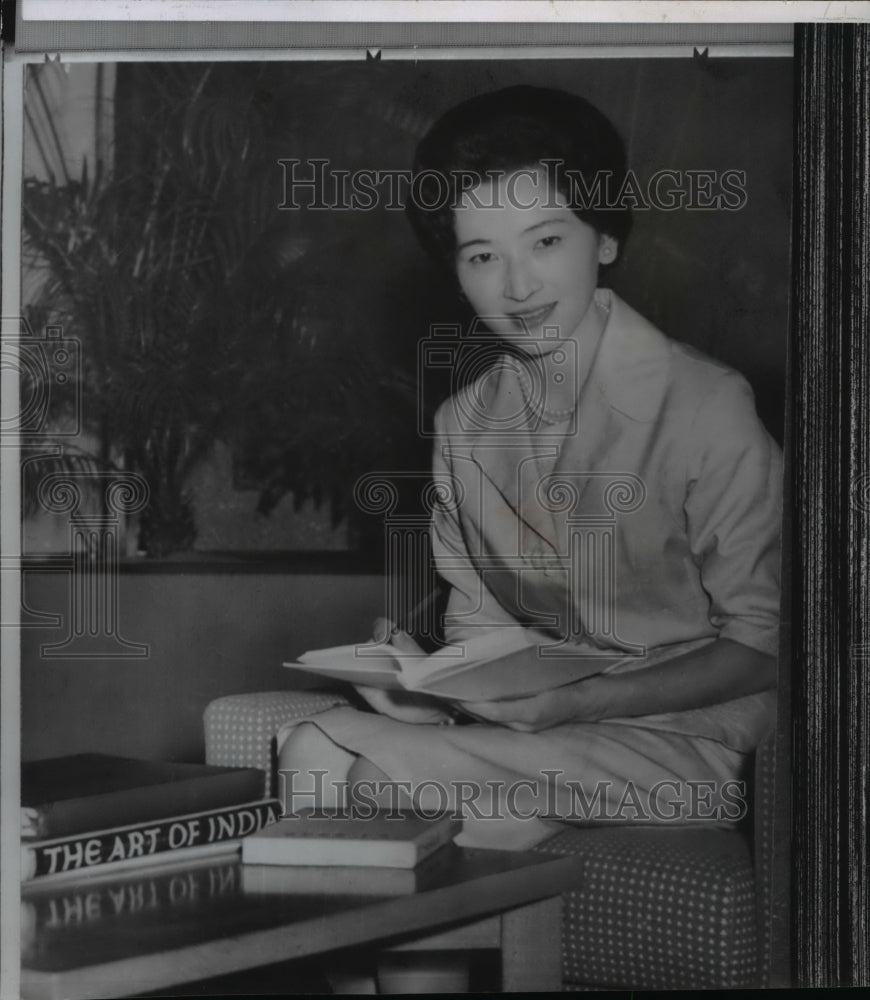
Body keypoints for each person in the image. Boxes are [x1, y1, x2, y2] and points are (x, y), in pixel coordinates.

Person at [277, 85, 781, 848]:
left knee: (368, 772)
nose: (517, 287)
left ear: (604, 238)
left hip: (687, 744)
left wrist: (580, 703)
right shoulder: (464, 426)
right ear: (456, 270)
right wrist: (432, 687)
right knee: (313, 748)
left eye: (546, 241)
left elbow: (766, 644)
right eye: (483, 255)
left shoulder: (708, 404)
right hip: (547, 740)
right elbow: (484, 626)